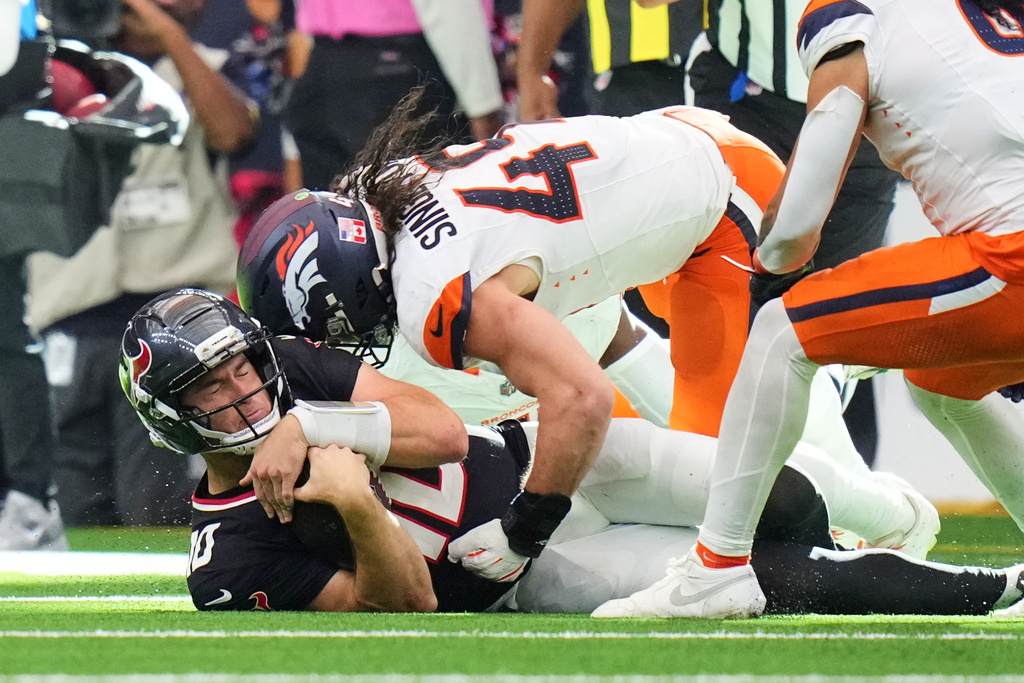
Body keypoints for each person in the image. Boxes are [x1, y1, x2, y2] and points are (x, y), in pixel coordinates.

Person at [120, 289, 1024, 615]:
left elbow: (436, 428)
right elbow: (408, 602)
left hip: (545, 459)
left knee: (775, 494)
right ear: (169, 419)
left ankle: (882, 540)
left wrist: (310, 425)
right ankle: (995, 591)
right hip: (531, 568)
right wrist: (356, 504)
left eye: (242, 366)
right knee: (763, 575)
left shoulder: (292, 380)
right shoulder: (227, 559)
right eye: (211, 387)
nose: (244, 390)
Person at [237, 93, 789, 579]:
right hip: (672, 140)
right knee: (721, 419)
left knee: (729, 456)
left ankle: (857, 527)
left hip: (727, 201)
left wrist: (525, 529)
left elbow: (582, 397)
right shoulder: (375, 191)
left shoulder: (434, 292)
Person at [593, 0, 1024, 620]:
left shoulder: (848, 18)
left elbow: (796, 225)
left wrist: (755, 258)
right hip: (1001, 250)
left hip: (1007, 256)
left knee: (779, 331)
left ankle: (715, 572)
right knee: (944, 383)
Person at [26, 0, 256, 526]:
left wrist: (171, 37)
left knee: (157, 509)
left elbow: (234, 133)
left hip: (176, 324)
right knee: (74, 508)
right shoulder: (45, 74)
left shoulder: (204, 65)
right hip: (67, 314)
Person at [283, 0, 504, 191]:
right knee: (418, 224)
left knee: (338, 229)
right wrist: (484, 106)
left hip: (323, 67)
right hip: (399, 72)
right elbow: (447, 9)